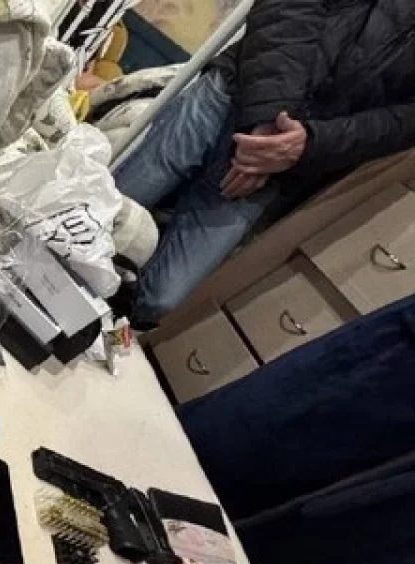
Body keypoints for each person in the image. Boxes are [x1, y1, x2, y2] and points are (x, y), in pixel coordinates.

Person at [113, 0, 415, 326]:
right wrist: (270, 120)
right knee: (98, 218)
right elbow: (289, 7)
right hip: (233, 95)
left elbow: (401, 124)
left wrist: (307, 144)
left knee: (157, 300)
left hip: (287, 163)